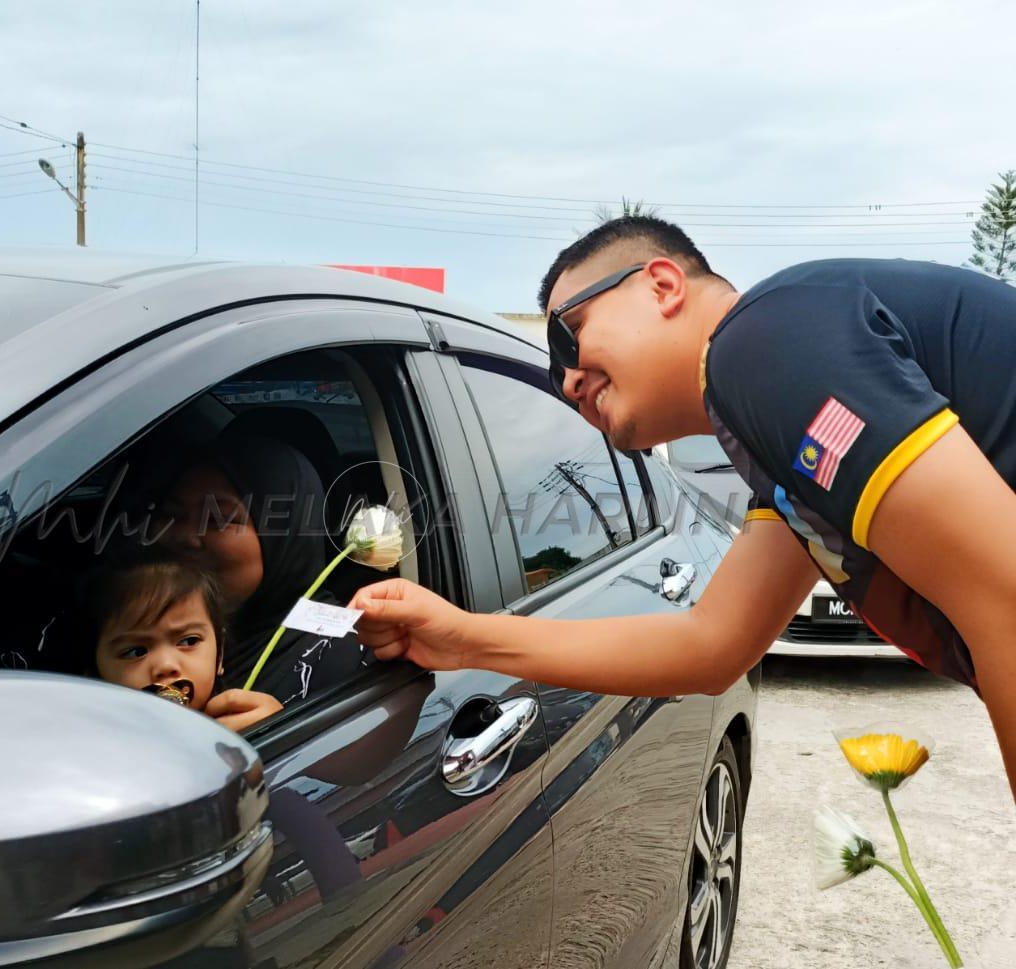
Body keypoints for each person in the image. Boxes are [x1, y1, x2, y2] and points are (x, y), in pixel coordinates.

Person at [351, 215, 1016, 801]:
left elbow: (1006, 592)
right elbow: (711, 644)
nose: (570, 381)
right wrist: (464, 637)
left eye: (568, 337)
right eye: (557, 377)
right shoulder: (772, 435)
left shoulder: (759, 341)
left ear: (662, 285)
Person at [156, 432, 366, 704]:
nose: (185, 537)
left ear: (286, 536)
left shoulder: (344, 654)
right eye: (171, 514)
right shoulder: (128, 628)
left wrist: (280, 729)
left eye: (219, 519)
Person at [78, 556, 283, 732]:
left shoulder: (244, 720)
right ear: (94, 675)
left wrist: (275, 727)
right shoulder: (92, 751)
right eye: (135, 652)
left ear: (219, 654)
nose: (166, 666)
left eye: (188, 641)